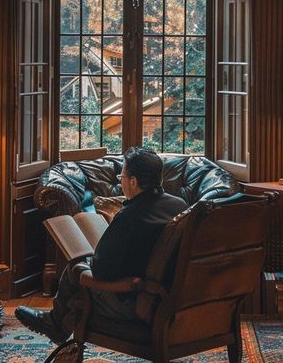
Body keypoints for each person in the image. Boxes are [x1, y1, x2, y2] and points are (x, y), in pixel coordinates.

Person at [15, 147, 187, 344]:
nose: (120, 179)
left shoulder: (130, 215)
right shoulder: (179, 205)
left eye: (121, 175)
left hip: (132, 302)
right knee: (81, 277)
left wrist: (86, 264)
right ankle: (56, 325)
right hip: (168, 297)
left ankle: (55, 323)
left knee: (75, 270)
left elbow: (102, 271)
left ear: (133, 181)